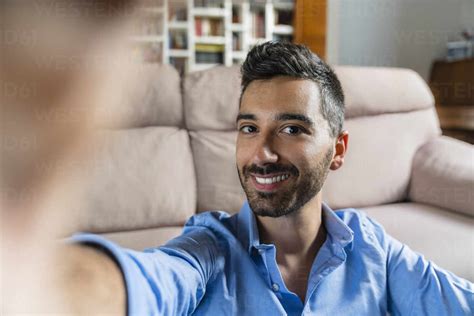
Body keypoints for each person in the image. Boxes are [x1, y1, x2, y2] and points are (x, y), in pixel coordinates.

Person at [73, 42, 472, 315]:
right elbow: (147, 282)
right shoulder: (208, 251)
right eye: (249, 128)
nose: (261, 154)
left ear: (339, 150)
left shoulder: (373, 250)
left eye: (292, 129)